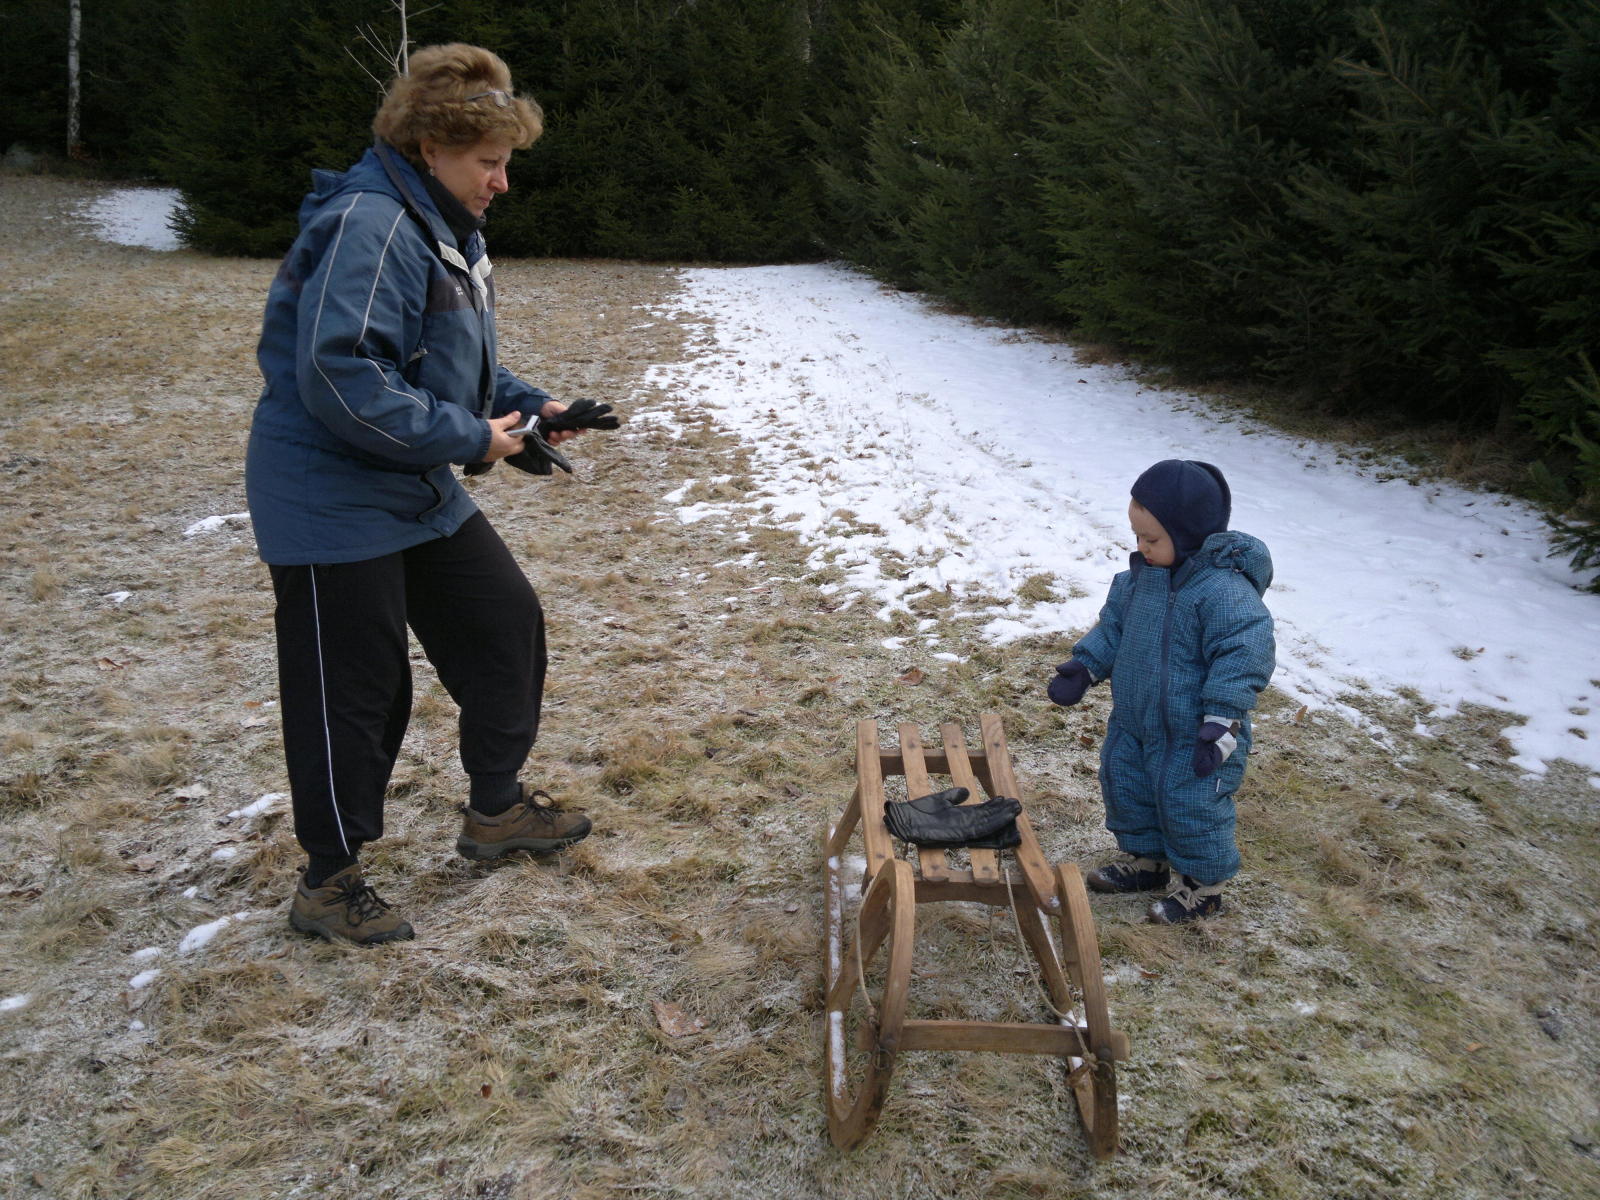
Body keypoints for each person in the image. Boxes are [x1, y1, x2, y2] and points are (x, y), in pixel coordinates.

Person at [247, 44, 615, 945]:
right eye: (488, 162)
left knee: (503, 623)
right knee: (355, 691)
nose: (500, 182)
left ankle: (494, 811)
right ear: (428, 149)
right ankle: (329, 883)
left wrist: (529, 409)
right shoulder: (370, 222)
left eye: (504, 162)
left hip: (406, 485)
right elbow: (342, 377)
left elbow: (441, 362)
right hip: (329, 497)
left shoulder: (438, 226)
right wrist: (468, 437)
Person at [1046, 460, 1274, 924]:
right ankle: (1146, 861)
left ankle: (1201, 887)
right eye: (1137, 537)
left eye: (1152, 539)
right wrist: (1085, 666)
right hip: (1135, 719)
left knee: (1191, 805)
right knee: (1127, 786)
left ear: (1189, 534)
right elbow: (1112, 630)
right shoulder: (1135, 585)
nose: (1141, 547)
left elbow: (1243, 655)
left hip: (1198, 732)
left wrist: (1221, 721)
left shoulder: (1224, 594)